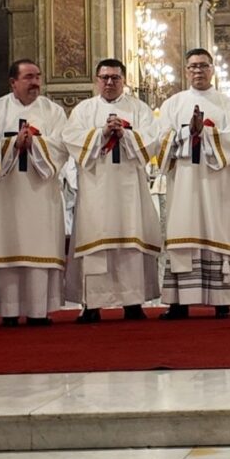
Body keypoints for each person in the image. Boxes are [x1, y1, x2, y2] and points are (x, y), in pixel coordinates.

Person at [63, 59, 161, 323]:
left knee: (130, 244)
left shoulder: (139, 109)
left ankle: (132, 302)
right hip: (95, 189)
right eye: (104, 77)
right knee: (95, 245)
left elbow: (153, 141)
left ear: (124, 81)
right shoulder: (84, 111)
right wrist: (102, 133)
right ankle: (92, 304)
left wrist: (125, 135)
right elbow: (70, 139)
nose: (109, 82)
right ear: (96, 80)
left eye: (115, 78)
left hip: (129, 189)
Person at [157, 49, 230, 319]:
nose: (198, 71)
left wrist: (204, 132)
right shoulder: (173, 104)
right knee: (183, 231)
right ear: (185, 70)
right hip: (183, 182)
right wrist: (187, 132)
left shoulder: (228, 105)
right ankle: (179, 302)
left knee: (217, 230)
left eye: (203, 66)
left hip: (216, 183)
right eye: (193, 66)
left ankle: (221, 300)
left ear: (212, 69)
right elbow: (159, 143)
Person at [0, 59, 69, 327]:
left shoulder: (53, 111)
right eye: (28, 77)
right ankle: (8, 311)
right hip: (6, 194)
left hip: (41, 193)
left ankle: (39, 310)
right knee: (8, 247)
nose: (35, 82)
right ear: (13, 82)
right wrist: (12, 144)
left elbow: (61, 148)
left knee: (39, 248)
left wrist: (33, 144)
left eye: (38, 76)